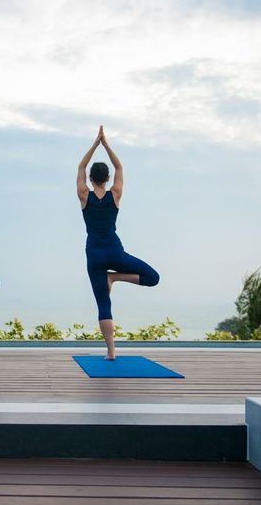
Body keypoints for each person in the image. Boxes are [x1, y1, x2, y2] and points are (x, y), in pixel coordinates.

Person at [77, 125, 160, 359]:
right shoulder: (115, 194)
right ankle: (114, 277)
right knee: (153, 278)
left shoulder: (84, 195)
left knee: (103, 304)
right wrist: (106, 144)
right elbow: (120, 166)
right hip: (115, 252)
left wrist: (94, 145)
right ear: (108, 178)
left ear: (91, 179)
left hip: (94, 255)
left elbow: (81, 166)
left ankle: (111, 352)